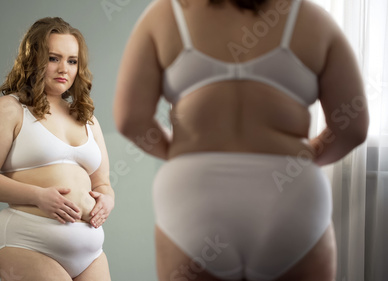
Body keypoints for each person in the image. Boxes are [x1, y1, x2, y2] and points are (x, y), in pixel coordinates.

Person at [114, 0, 368, 280]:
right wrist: (306, 157)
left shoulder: (165, 13)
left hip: (193, 193)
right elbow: (353, 127)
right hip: (292, 195)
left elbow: (130, 120)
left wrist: (180, 154)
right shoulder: (313, 18)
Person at [0, 17, 114, 281]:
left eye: (72, 61)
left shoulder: (87, 118)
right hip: (29, 243)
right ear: (34, 59)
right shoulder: (10, 109)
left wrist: (107, 200)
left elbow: (103, 183)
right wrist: (38, 196)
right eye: (53, 58)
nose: (64, 69)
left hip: (90, 253)